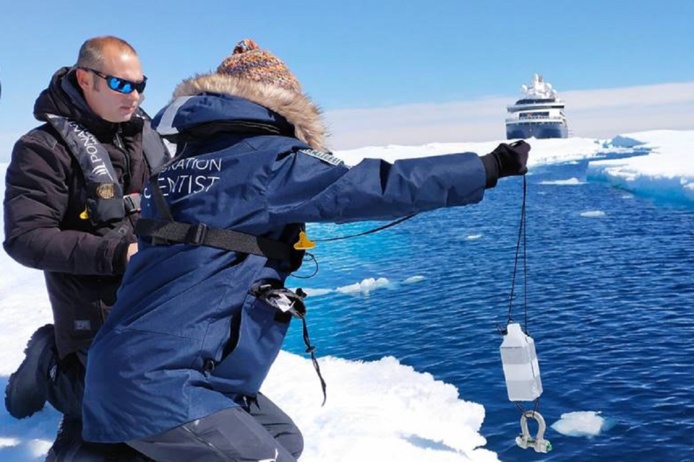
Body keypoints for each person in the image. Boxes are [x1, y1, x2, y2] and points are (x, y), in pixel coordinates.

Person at [81, 39, 530, 461]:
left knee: (283, 439)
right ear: (281, 104)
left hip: (141, 365)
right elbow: (376, 185)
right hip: (158, 384)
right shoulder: (266, 161)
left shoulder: (179, 167)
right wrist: (486, 167)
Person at [3, 36, 169, 460]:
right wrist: (117, 255)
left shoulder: (148, 142)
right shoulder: (42, 149)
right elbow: (25, 238)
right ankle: (53, 365)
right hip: (91, 313)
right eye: (121, 84)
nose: (135, 95)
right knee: (124, 417)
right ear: (85, 78)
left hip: (154, 299)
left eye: (140, 84)